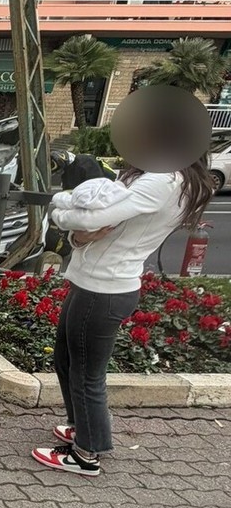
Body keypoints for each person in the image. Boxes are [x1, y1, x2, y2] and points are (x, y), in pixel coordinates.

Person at [35, 155, 214, 476]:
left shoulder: (162, 180)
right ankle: (85, 430)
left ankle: (85, 454)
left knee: (86, 374)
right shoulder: (163, 175)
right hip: (96, 281)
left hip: (104, 287)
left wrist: (59, 210)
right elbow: (94, 226)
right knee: (67, 359)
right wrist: (78, 235)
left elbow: (94, 218)